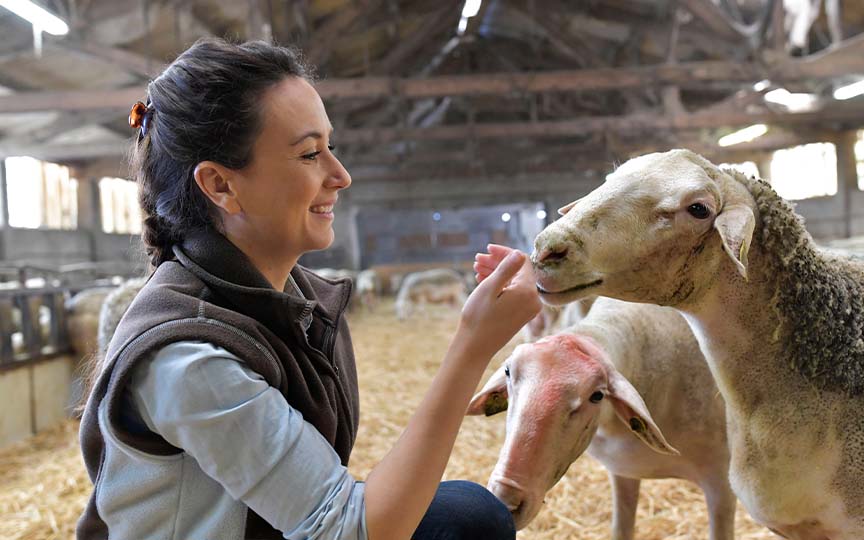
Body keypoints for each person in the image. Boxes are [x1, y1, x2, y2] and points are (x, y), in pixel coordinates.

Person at [77, 38, 541, 540]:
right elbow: (351, 531)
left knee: (468, 514)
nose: (340, 176)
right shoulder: (189, 359)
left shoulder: (283, 299)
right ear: (220, 185)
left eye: (330, 147)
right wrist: (472, 346)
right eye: (308, 154)